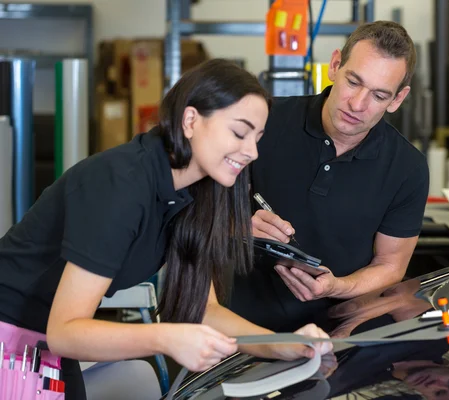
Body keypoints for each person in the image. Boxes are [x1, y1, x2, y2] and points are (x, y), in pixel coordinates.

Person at [0, 59, 331, 399]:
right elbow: (65, 332)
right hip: (13, 337)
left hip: (44, 343)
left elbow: (204, 310)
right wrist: (167, 337)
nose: (251, 151)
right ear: (190, 120)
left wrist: (279, 346)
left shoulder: (195, 193)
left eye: (258, 138)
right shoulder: (121, 184)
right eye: (239, 132)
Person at [229, 21, 430, 330]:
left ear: (398, 99)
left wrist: (337, 286)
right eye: (353, 81)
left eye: (378, 95)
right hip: (238, 325)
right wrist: (238, 226)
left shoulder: (408, 169)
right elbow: (193, 211)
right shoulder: (264, 122)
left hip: (336, 335)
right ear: (335, 65)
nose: (358, 104)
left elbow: (390, 266)